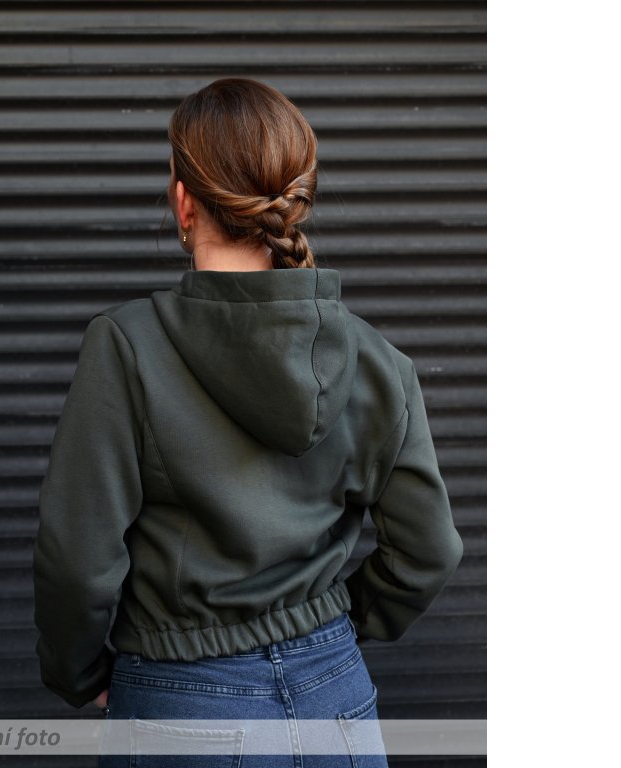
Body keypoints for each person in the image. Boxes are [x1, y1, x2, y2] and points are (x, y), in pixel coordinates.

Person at [33, 78, 464, 767]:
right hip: (336, 696)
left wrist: (77, 674)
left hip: (181, 699)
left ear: (184, 201)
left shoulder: (128, 346)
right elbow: (429, 550)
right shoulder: (380, 361)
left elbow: (78, 562)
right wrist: (329, 626)